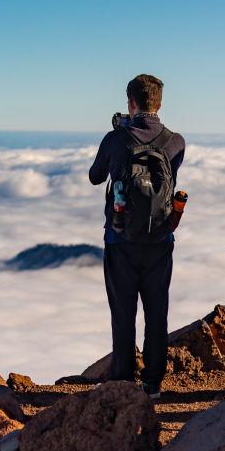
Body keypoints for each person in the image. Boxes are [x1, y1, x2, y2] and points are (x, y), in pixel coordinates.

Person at [88, 74, 186, 399]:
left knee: (123, 312)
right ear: (160, 104)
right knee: (156, 312)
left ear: (130, 102)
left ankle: (122, 382)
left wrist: (118, 135)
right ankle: (153, 383)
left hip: (121, 239)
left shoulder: (115, 139)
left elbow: (94, 177)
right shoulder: (176, 141)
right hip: (160, 241)